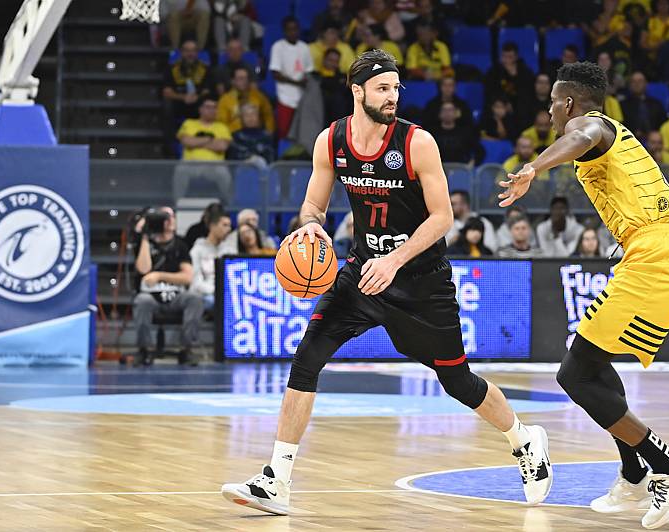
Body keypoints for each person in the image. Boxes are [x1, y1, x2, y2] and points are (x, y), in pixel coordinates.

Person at [222, 49, 553, 515]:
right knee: (307, 356)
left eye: (396, 87)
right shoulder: (331, 140)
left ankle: (524, 440)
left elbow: (443, 218)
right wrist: (313, 226)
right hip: (361, 274)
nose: (393, 95)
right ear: (357, 92)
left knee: (457, 381)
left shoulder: (418, 143)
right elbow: (313, 206)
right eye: (383, 88)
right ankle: (276, 479)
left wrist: (395, 260)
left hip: (421, 281)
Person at [500, 61, 669, 529]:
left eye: (553, 102)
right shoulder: (621, 135)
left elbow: (581, 134)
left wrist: (533, 165)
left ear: (568, 101)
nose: (550, 111)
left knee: (574, 374)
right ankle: (633, 475)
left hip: (660, 256)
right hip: (663, 251)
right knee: (592, 364)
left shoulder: (588, 125)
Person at [132, 207, 204, 367]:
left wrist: (159, 276)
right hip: (151, 297)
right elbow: (143, 269)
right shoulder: (145, 244)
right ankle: (143, 350)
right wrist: (144, 236)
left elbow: (187, 277)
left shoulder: (181, 245)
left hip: (176, 296)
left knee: (195, 299)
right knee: (142, 301)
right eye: (164, 217)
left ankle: (187, 349)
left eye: (172, 216)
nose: (170, 220)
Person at [173, 96, 233, 202]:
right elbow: (187, 142)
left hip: (215, 165)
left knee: (223, 173)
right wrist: (210, 140)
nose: (212, 110)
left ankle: (230, 204)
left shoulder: (222, 127)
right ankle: (178, 204)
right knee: (180, 170)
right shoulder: (189, 123)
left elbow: (222, 146)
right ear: (200, 109)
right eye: (208, 107)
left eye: (214, 107)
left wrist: (197, 142)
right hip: (191, 163)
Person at [269, 17, 314, 139]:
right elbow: (276, 74)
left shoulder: (304, 47)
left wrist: (305, 81)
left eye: (295, 29)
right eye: (289, 30)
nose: (292, 32)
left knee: (302, 132)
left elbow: (309, 71)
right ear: (284, 31)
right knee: (284, 131)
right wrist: (297, 82)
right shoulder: (278, 47)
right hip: (285, 97)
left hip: (302, 98)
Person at [190, 210, 232, 307]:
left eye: (229, 226)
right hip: (206, 295)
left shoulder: (230, 251)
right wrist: (218, 291)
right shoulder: (197, 251)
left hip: (228, 294)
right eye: (224, 225)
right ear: (212, 226)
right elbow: (196, 283)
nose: (228, 229)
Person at [216, 67, 275, 134]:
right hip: (234, 138)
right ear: (233, 81)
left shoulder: (258, 96)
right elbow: (221, 123)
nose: (244, 81)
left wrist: (269, 132)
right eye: (240, 78)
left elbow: (268, 116)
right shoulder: (225, 100)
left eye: (246, 78)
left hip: (257, 136)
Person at [619, 71, 666, 140]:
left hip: (654, 142)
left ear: (646, 83)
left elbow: (663, 125)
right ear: (630, 85)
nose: (637, 84)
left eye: (640, 81)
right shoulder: (622, 105)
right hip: (630, 141)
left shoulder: (657, 104)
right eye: (633, 81)